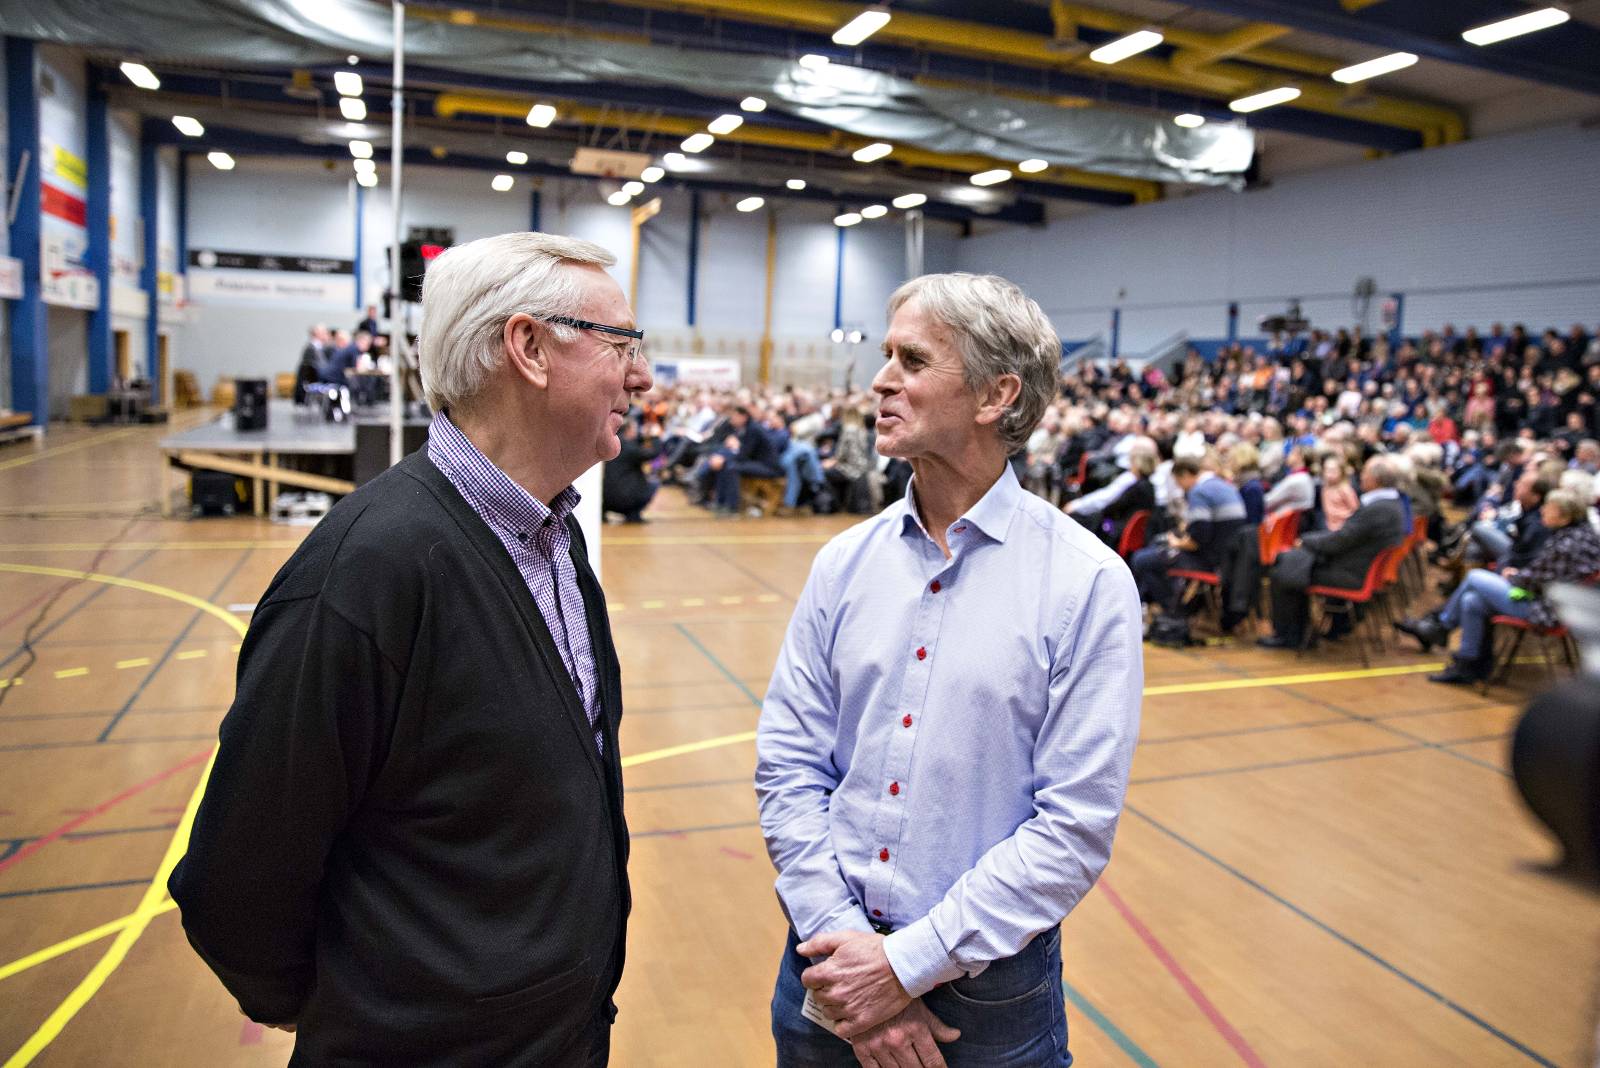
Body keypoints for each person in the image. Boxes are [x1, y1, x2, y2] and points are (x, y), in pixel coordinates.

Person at [169, 232, 649, 1066]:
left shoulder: (555, 540)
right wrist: (373, 1012)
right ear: (529, 348)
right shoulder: (367, 572)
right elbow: (237, 878)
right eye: (621, 343)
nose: (641, 376)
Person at [756, 272, 1142, 1068]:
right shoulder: (844, 564)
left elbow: (1072, 828)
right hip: (826, 963)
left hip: (985, 998)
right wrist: (850, 951)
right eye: (886, 355)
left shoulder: (1085, 582)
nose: (881, 379)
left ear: (997, 394)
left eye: (912, 360)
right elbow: (789, 765)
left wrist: (904, 967)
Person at [1397, 488, 1600, 682]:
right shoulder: (1581, 534)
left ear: (1565, 517)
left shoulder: (1567, 545)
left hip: (1545, 609)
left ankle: (1441, 626)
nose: (1543, 510)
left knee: (1475, 577)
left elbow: (1535, 578)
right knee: (1472, 601)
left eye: (1549, 508)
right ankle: (1467, 664)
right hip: (1552, 602)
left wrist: (1514, 576)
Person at [1258, 455, 1408, 649]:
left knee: (1284, 570)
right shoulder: (1392, 503)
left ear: (1376, 480)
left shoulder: (1378, 509)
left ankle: (1290, 636)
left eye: (1365, 473)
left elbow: (1340, 541)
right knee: (1291, 561)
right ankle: (1298, 632)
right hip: (1358, 566)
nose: (1361, 477)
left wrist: (1305, 541)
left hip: (1352, 573)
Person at [603, 416, 660, 523]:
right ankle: (634, 515)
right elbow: (653, 453)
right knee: (654, 483)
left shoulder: (614, 443)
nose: (637, 431)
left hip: (605, 499)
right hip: (623, 500)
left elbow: (637, 441)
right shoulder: (630, 448)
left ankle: (603, 513)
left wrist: (644, 436)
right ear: (629, 430)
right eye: (635, 429)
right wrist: (655, 437)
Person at [1319, 453, 1359, 532]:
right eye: (1327, 470)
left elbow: (1355, 510)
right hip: (1330, 527)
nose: (1329, 474)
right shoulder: (1325, 489)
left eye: (1333, 471)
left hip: (1344, 527)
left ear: (1341, 472)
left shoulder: (1345, 489)